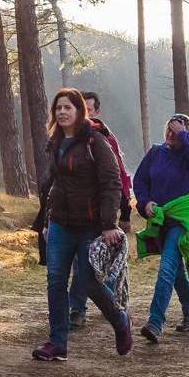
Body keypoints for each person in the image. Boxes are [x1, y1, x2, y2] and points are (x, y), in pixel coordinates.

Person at [30, 88, 134, 361]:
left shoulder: (95, 142)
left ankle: (120, 321)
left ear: (79, 111)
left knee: (89, 283)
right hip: (60, 225)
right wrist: (45, 220)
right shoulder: (55, 142)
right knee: (55, 281)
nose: (62, 112)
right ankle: (57, 344)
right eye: (58, 108)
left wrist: (110, 223)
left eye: (68, 108)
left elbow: (112, 183)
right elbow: (52, 186)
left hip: (90, 226)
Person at [133, 114, 189, 343]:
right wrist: (145, 202)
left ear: (186, 134)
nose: (171, 133)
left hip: (183, 220)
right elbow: (140, 181)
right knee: (175, 272)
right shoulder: (156, 152)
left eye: (176, 130)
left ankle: (155, 322)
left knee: (166, 268)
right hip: (160, 220)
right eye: (169, 129)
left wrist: (183, 135)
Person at [69, 91, 134, 328]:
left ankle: (110, 300)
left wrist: (125, 212)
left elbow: (119, 178)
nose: (84, 114)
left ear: (96, 112)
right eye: (80, 109)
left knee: (90, 262)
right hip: (72, 213)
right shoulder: (67, 138)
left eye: (89, 109)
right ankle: (78, 309)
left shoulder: (105, 139)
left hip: (99, 213)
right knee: (80, 262)